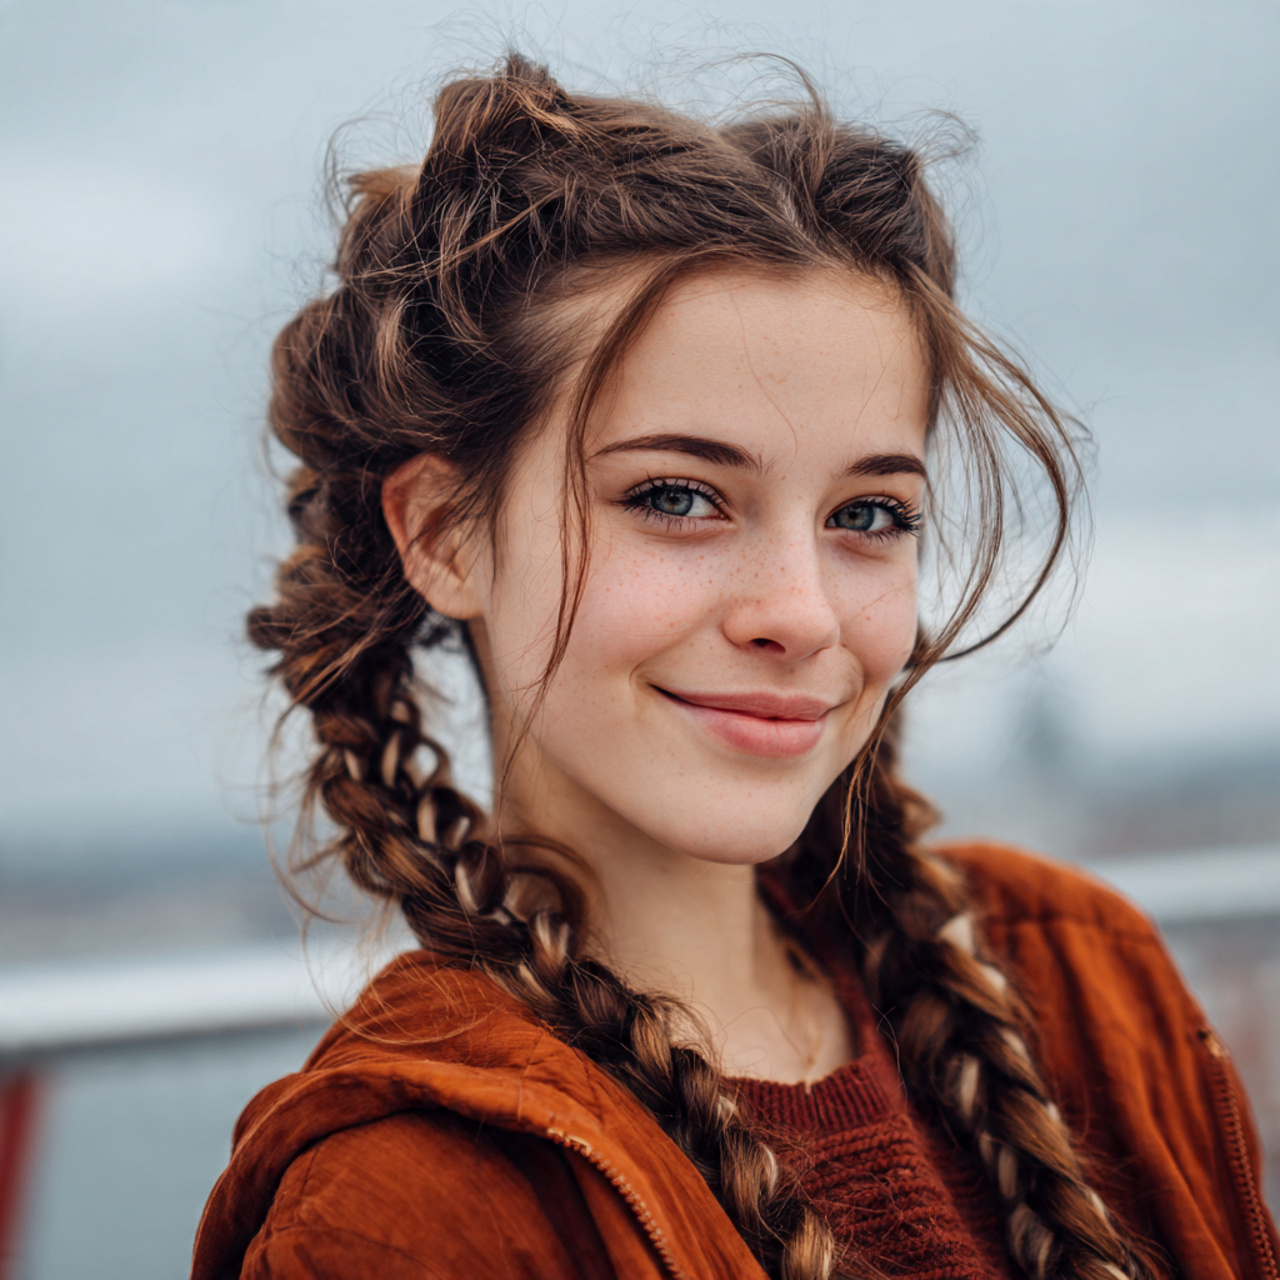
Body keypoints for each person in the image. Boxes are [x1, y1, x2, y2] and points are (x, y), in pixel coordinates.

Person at [192, 53, 1277, 1280]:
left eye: (867, 514)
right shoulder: (406, 1211)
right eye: (676, 496)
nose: (800, 614)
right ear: (445, 534)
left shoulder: (1083, 984)